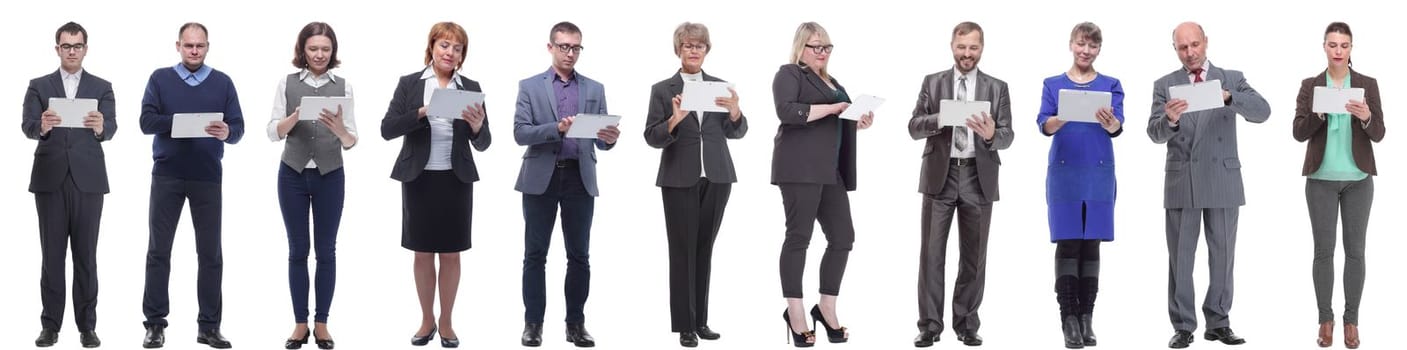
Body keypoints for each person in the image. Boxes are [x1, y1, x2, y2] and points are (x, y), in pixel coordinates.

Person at [1148, 22, 1270, 349]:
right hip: (1182, 178)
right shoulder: (1165, 84)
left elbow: (1263, 112)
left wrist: (1229, 97)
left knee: (1223, 255)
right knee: (1181, 259)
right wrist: (1170, 120)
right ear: (1175, 49)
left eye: (1194, 45)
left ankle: (1218, 321)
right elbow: (1154, 133)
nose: (1190, 53)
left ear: (1206, 42)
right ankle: (1184, 325)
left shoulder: (1231, 77)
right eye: (1182, 47)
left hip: (1222, 177)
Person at [380, 21, 490, 349]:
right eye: (445, 45)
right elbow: (387, 129)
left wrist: (477, 125)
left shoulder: (470, 86)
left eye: (457, 48)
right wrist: (422, 112)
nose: (450, 53)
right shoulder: (411, 84)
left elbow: (484, 142)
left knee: (452, 253)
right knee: (423, 251)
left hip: (456, 179)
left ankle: (446, 322)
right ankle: (427, 319)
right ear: (432, 47)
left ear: (462, 55)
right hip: (419, 178)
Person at [138, 22, 245, 349]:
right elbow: (145, 122)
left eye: (199, 46)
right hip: (167, 175)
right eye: (189, 46)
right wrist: (180, 123)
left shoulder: (223, 82)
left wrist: (227, 132)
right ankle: (155, 324)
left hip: (207, 177)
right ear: (178, 46)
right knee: (159, 251)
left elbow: (238, 128)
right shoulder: (160, 78)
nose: (194, 51)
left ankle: (209, 327)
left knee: (210, 253)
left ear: (207, 47)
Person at [906, 21, 1013, 348]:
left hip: (978, 178)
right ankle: (930, 326)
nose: (967, 54)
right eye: (962, 47)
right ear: (952, 45)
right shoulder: (932, 82)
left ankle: (967, 323)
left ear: (982, 48)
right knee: (932, 254)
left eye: (973, 48)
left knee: (974, 256)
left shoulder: (997, 87)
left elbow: (1008, 135)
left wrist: (991, 134)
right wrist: (942, 118)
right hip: (941, 175)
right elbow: (913, 126)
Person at [513, 21, 619, 348]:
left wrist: (610, 139)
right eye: (564, 47)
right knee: (535, 254)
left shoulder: (594, 89)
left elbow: (600, 140)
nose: (570, 53)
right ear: (551, 47)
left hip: (579, 177)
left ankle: (576, 324)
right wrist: (556, 128)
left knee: (579, 256)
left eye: (575, 48)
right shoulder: (530, 86)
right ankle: (533, 324)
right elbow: (520, 133)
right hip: (540, 177)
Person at [642, 22, 748, 348]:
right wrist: (675, 119)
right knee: (682, 252)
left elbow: (738, 132)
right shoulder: (663, 89)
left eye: (699, 45)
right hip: (678, 178)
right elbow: (651, 135)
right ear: (679, 49)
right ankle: (685, 326)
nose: (693, 50)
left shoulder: (719, 86)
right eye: (688, 45)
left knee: (704, 250)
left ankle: (701, 321)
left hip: (717, 177)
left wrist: (734, 113)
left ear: (706, 50)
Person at [772, 21, 874, 348]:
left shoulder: (832, 82)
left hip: (831, 171)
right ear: (801, 47)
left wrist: (857, 122)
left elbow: (834, 125)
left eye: (826, 47)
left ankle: (826, 306)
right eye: (816, 46)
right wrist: (834, 108)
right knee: (799, 237)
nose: (822, 52)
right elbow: (787, 112)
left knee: (843, 237)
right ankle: (795, 312)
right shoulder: (789, 74)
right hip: (799, 168)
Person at [22, 21, 116, 349]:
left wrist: (103, 126)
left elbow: (112, 128)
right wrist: (42, 126)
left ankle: (87, 327)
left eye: (77, 46)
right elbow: (27, 125)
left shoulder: (102, 86)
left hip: (88, 180)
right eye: (66, 46)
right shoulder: (39, 85)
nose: (72, 51)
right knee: (52, 255)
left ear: (85, 49)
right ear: (57, 49)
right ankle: (50, 326)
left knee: (86, 256)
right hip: (50, 178)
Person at [1291, 21, 1384, 350]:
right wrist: (1317, 114)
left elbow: (1380, 133)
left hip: (1359, 179)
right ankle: (1325, 320)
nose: (1338, 51)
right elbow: (1298, 133)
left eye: (1344, 45)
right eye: (1333, 45)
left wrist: (1367, 116)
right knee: (1323, 253)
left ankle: (1352, 322)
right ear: (1324, 47)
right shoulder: (1310, 85)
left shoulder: (1367, 84)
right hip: (1321, 181)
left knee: (1356, 253)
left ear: (1351, 48)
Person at [269, 21, 357, 350]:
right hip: (291, 172)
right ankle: (299, 323)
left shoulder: (344, 86)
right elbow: (272, 131)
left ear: (333, 52)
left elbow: (351, 140)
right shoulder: (287, 82)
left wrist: (339, 129)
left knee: (326, 251)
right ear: (302, 50)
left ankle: (322, 324)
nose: (319, 54)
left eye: (325, 49)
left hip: (330, 174)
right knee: (297, 251)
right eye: (313, 48)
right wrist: (293, 118)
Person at [1035, 22, 1123, 349]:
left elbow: (1117, 127)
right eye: (1081, 44)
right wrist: (1065, 115)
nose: (1086, 51)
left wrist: (1112, 123)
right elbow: (1044, 124)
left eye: (1093, 46)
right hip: (1064, 170)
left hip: (1099, 170)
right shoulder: (1053, 84)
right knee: (1069, 242)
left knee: (1092, 244)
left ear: (1099, 49)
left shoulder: (1111, 84)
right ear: (1071, 44)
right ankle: (1068, 318)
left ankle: (1087, 317)